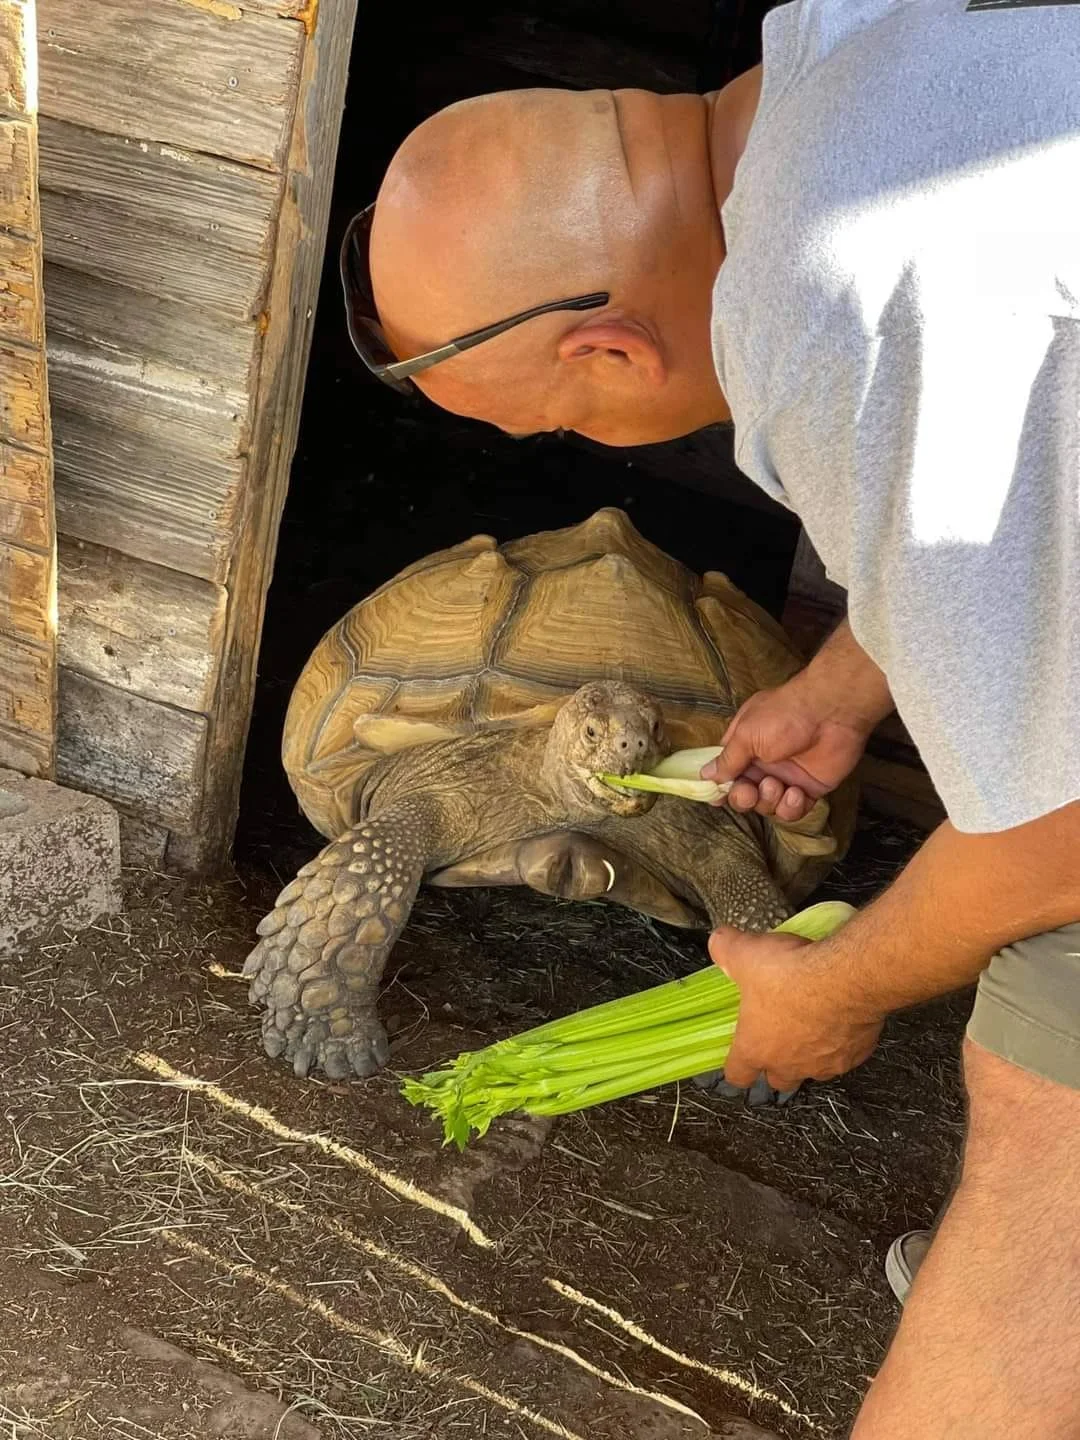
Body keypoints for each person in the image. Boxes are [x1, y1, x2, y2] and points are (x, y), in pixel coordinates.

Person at [343, 2, 1080, 1434]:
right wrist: (844, 679)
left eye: (565, 426)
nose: (593, 449)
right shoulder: (840, 41)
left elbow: (1055, 830)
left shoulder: (829, 320)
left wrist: (839, 984)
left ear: (612, 355)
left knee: (1043, 1080)